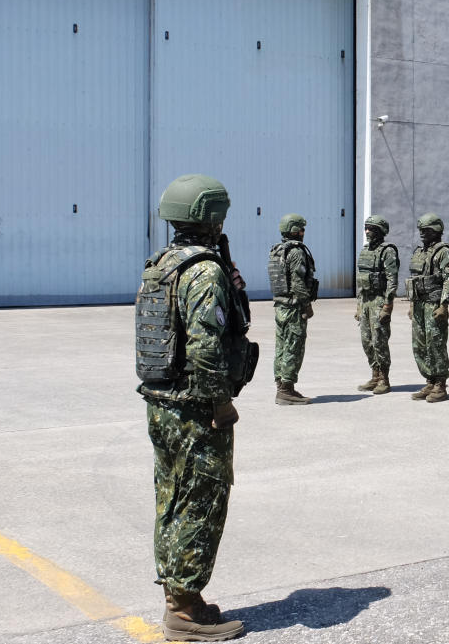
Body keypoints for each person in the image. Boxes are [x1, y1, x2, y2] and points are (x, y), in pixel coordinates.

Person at [135, 174, 257, 642]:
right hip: (194, 408)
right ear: (211, 215)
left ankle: (180, 595)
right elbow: (206, 344)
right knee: (201, 502)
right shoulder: (204, 271)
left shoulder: (162, 263)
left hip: (162, 403)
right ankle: (183, 614)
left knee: (172, 498)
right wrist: (220, 402)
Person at [268, 214, 319, 406]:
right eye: (302, 229)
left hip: (280, 305)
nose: (303, 233)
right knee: (293, 346)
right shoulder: (296, 252)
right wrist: (306, 305)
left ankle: (282, 384)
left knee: (281, 346)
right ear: (295, 230)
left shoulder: (277, 250)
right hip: (294, 307)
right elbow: (298, 282)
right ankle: (286, 390)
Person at [406, 212, 449, 403]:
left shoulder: (443, 252)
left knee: (435, 344)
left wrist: (444, 305)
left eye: (426, 230)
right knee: (419, 345)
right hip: (419, 305)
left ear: (437, 231)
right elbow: (414, 280)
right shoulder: (419, 251)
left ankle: (440, 384)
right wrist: (412, 304)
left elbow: (448, 279)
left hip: (434, 304)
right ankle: (429, 380)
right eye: (421, 230)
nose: (422, 233)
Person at [355, 214, 399, 394]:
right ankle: (374, 375)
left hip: (379, 301)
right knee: (366, 341)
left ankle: (384, 379)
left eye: (371, 228)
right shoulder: (365, 251)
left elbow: (392, 280)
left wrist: (388, 306)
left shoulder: (387, 251)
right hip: (365, 301)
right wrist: (359, 305)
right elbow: (360, 280)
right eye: (366, 227)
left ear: (380, 231)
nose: (367, 231)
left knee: (379, 341)